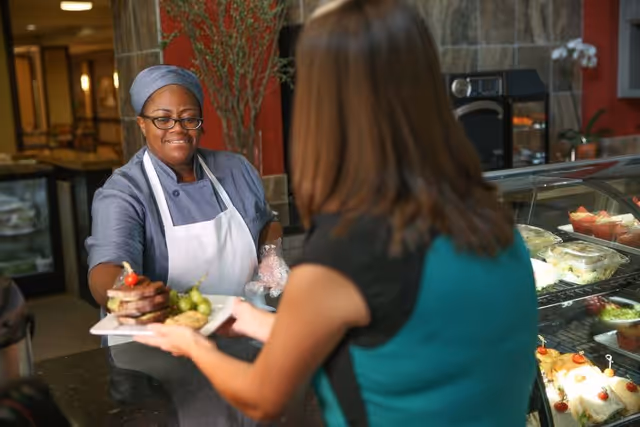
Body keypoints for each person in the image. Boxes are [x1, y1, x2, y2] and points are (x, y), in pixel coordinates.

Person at [136, 0, 538, 425]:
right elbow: (401, 342)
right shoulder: (490, 222)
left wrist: (192, 343)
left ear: (323, 108)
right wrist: (258, 322)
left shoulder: (346, 256)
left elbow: (261, 398)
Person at [86, 65, 281, 345]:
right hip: (157, 346)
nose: (177, 129)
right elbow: (105, 269)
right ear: (141, 123)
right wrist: (126, 294)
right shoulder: (124, 192)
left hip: (241, 330)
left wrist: (272, 256)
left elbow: (267, 223)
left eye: (189, 119)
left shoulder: (236, 169)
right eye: (162, 119)